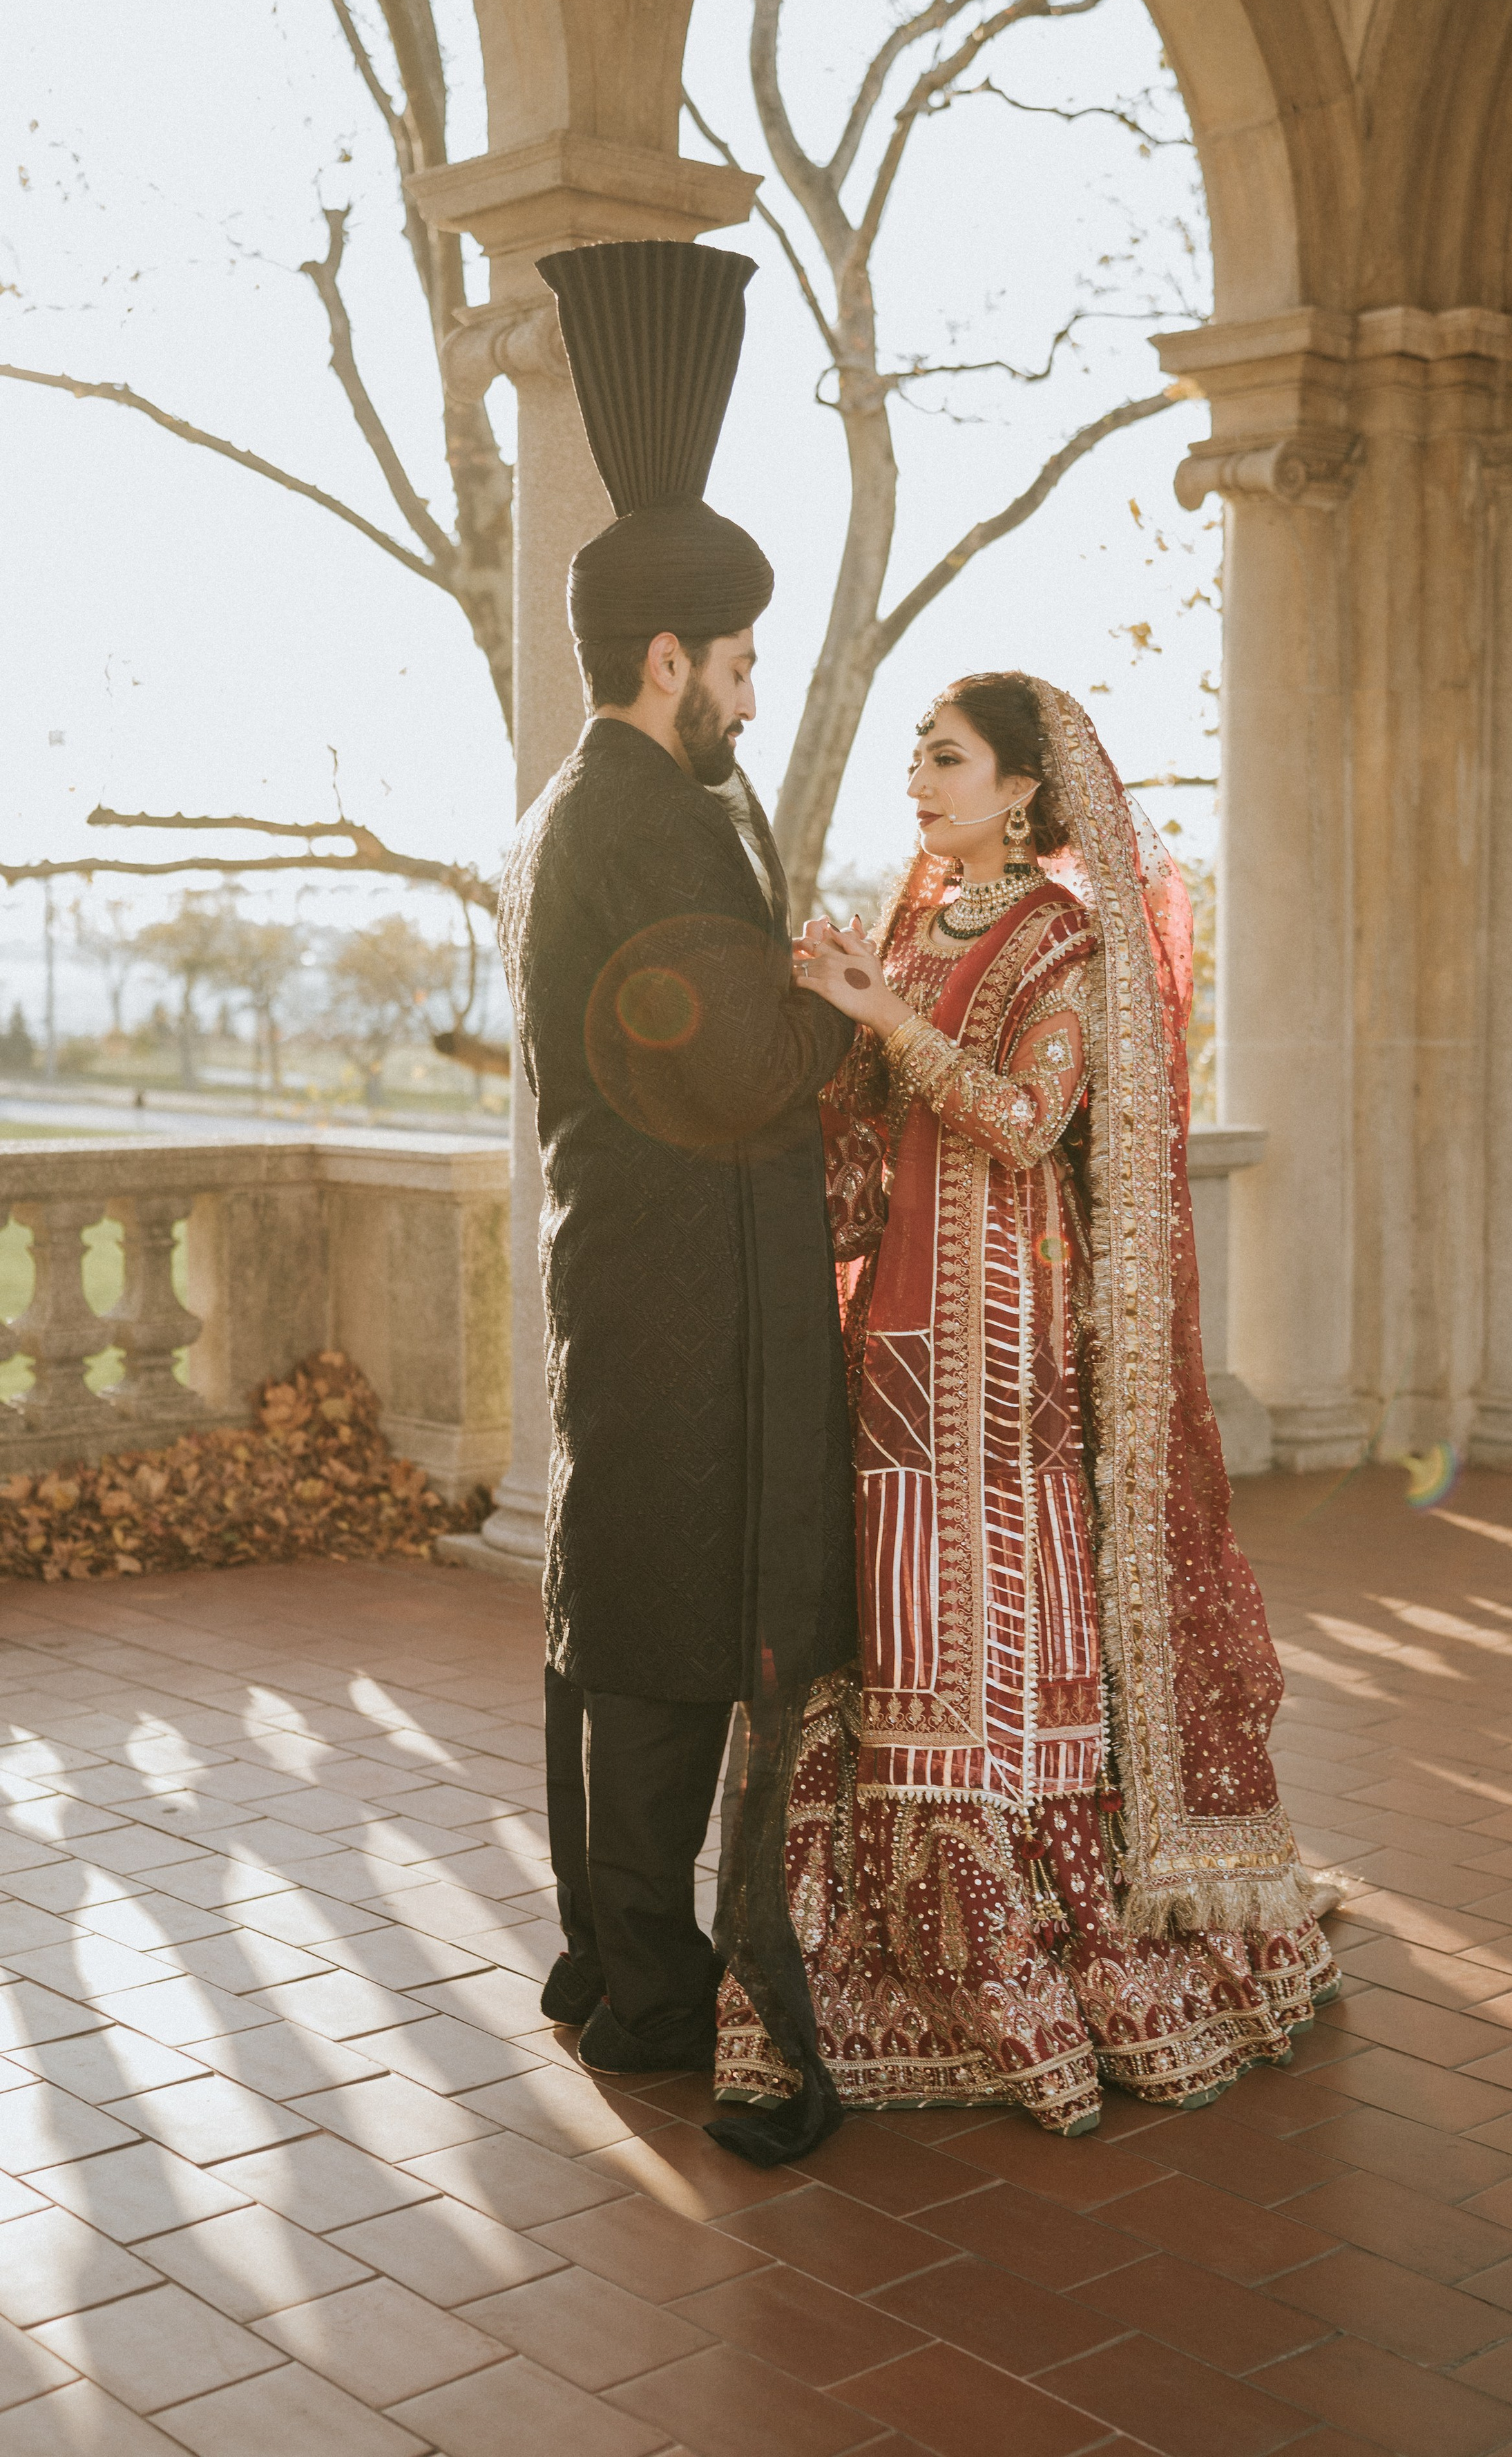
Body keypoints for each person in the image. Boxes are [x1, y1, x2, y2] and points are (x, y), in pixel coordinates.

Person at [716, 672, 1338, 2134]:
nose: (918, 785)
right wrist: (823, 1032)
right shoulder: (908, 920)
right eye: (915, 762)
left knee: (988, 1598)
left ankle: (1018, 1942)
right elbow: (871, 1135)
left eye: (945, 761)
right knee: (893, 1598)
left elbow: (1025, 1122)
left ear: (1019, 790)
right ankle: (887, 1946)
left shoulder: (1060, 935)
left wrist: (886, 1019)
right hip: (898, 1317)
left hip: (1004, 1314)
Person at [499, 240, 857, 2163]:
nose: (748, 686)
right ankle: (645, 1987)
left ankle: (610, 1952)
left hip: (654, 1273)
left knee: (629, 1605)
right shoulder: (634, 816)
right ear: (669, 662)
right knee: (648, 1627)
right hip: (663, 1280)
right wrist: (849, 1009)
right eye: (735, 660)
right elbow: (725, 1065)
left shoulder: (631, 806)